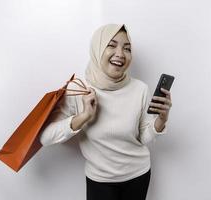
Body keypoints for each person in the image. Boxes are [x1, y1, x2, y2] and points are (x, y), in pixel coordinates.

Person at [39, 24, 172, 200]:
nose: (120, 54)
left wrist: (160, 121)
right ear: (98, 48)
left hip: (139, 174)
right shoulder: (78, 90)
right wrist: (84, 116)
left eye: (127, 48)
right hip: (100, 180)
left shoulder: (140, 89)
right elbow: (45, 137)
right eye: (112, 45)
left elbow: (143, 138)